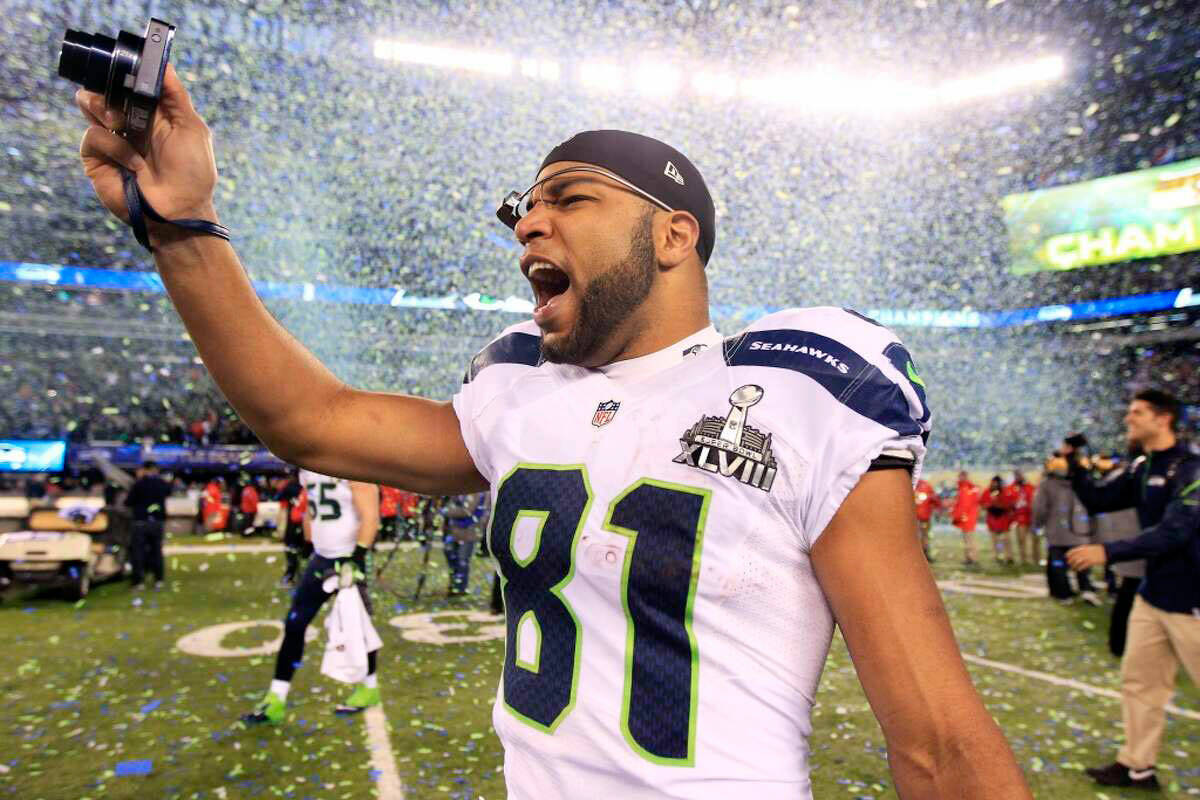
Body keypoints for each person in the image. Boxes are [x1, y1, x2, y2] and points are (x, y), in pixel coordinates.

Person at [74, 71, 1031, 797]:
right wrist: (180, 223)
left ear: (672, 236)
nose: (530, 222)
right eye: (524, 207)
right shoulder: (520, 390)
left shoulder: (797, 385)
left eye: (569, 197)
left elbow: (938, 741)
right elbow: (305, 420)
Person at [1065, 390, 1200, 790]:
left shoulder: (1191, 468)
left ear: (1164, 418)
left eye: (1137, 412)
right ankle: (1137, 765)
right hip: (1153, 593)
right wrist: (1074, 460)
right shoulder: (1142, 466)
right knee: (1139, 682)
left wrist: (1107, 551)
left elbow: (1175, 531)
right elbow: (1098, 499)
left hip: (1193, 598)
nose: (1128, 418)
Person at [242, 471, 381, 724]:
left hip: (347, 558)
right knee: (294, 625)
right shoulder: (308, 466)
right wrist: (309, 542)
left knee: (358, 625)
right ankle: (276, 698)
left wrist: (357, 557)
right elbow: (311, 508)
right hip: (321, 558)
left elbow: (370, 518)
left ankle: (369, 687)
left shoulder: (353, 461)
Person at [1033, 455, 1099, 605]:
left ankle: (1064, 594)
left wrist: (1038, 524)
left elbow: (1039, 508)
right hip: (1080, 531)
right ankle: (1086, 590)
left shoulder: (1047, 484)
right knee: (1082, 561)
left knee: (1058, 565)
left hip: (1057, 532)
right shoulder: (1084, 482)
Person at [123, 460, 171, 590]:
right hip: (157, 521)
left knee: (138, 552)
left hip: (140, 521)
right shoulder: (162, 483)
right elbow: (168, 492)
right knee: (157, 551)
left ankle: (139, 582)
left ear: (144, 469)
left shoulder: (139, 484)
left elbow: (128, 502)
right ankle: (159, 579)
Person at [443, 492, 488, 595]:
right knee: (450, 555)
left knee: (462, 559)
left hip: (469, 532)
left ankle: (460, 588)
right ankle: (453, 584)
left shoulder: (476, 493)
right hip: (454, 532)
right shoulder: (456, 492)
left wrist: (446, 511)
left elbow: (467, 511)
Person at [276, 469, 308, 586]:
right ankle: (302, 577)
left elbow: (279, 497)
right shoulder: (308, 486)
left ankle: (290, 576)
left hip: (294, 524)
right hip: (306, 526)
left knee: (291, 552)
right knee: (304, 553)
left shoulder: (291, 486)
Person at [980, 475, 1015, 565]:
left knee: (1006, 539)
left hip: (1003, 518)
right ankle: (998, 556)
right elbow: (982, 503)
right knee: (995, 540)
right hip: (993, 519)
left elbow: (1009, 504)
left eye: (996, 483)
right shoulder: (988, 492)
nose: (995, 484)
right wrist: (989, 506)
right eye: (993, 483)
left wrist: (1001, 506)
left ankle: (1009, 556)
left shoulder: (1005, 492)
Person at [952, 471, 982, 565]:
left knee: (969, 539)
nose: (958, 478)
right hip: (969, 517)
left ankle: (972, 558)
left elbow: (964, 505)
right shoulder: (969, 488)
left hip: (967, 518)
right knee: (968, 538)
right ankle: (970, 557)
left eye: (960, 476)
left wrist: (957, 516)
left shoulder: (965, 488)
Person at [1010, 470, 1038, 566]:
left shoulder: (1030, 487)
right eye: (1016, 475)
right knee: (1021, 539)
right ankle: (1024, 559)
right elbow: (1010, 501)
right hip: (1020, 518)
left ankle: (1036, 559)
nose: (1018, 477)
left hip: (1032, 517)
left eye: (1020, 475)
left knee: (1035, 540)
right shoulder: (1012, 488)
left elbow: (1035, 500)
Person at [913, 477, 942, 561]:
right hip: (918, 517)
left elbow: (935, 500)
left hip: (920, 517)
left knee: (923, 536)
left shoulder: (923, 486)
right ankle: (922, 554)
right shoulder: (925, 486)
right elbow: (936, 500)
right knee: (922, 536)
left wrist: (938, 510)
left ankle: (923, 553)